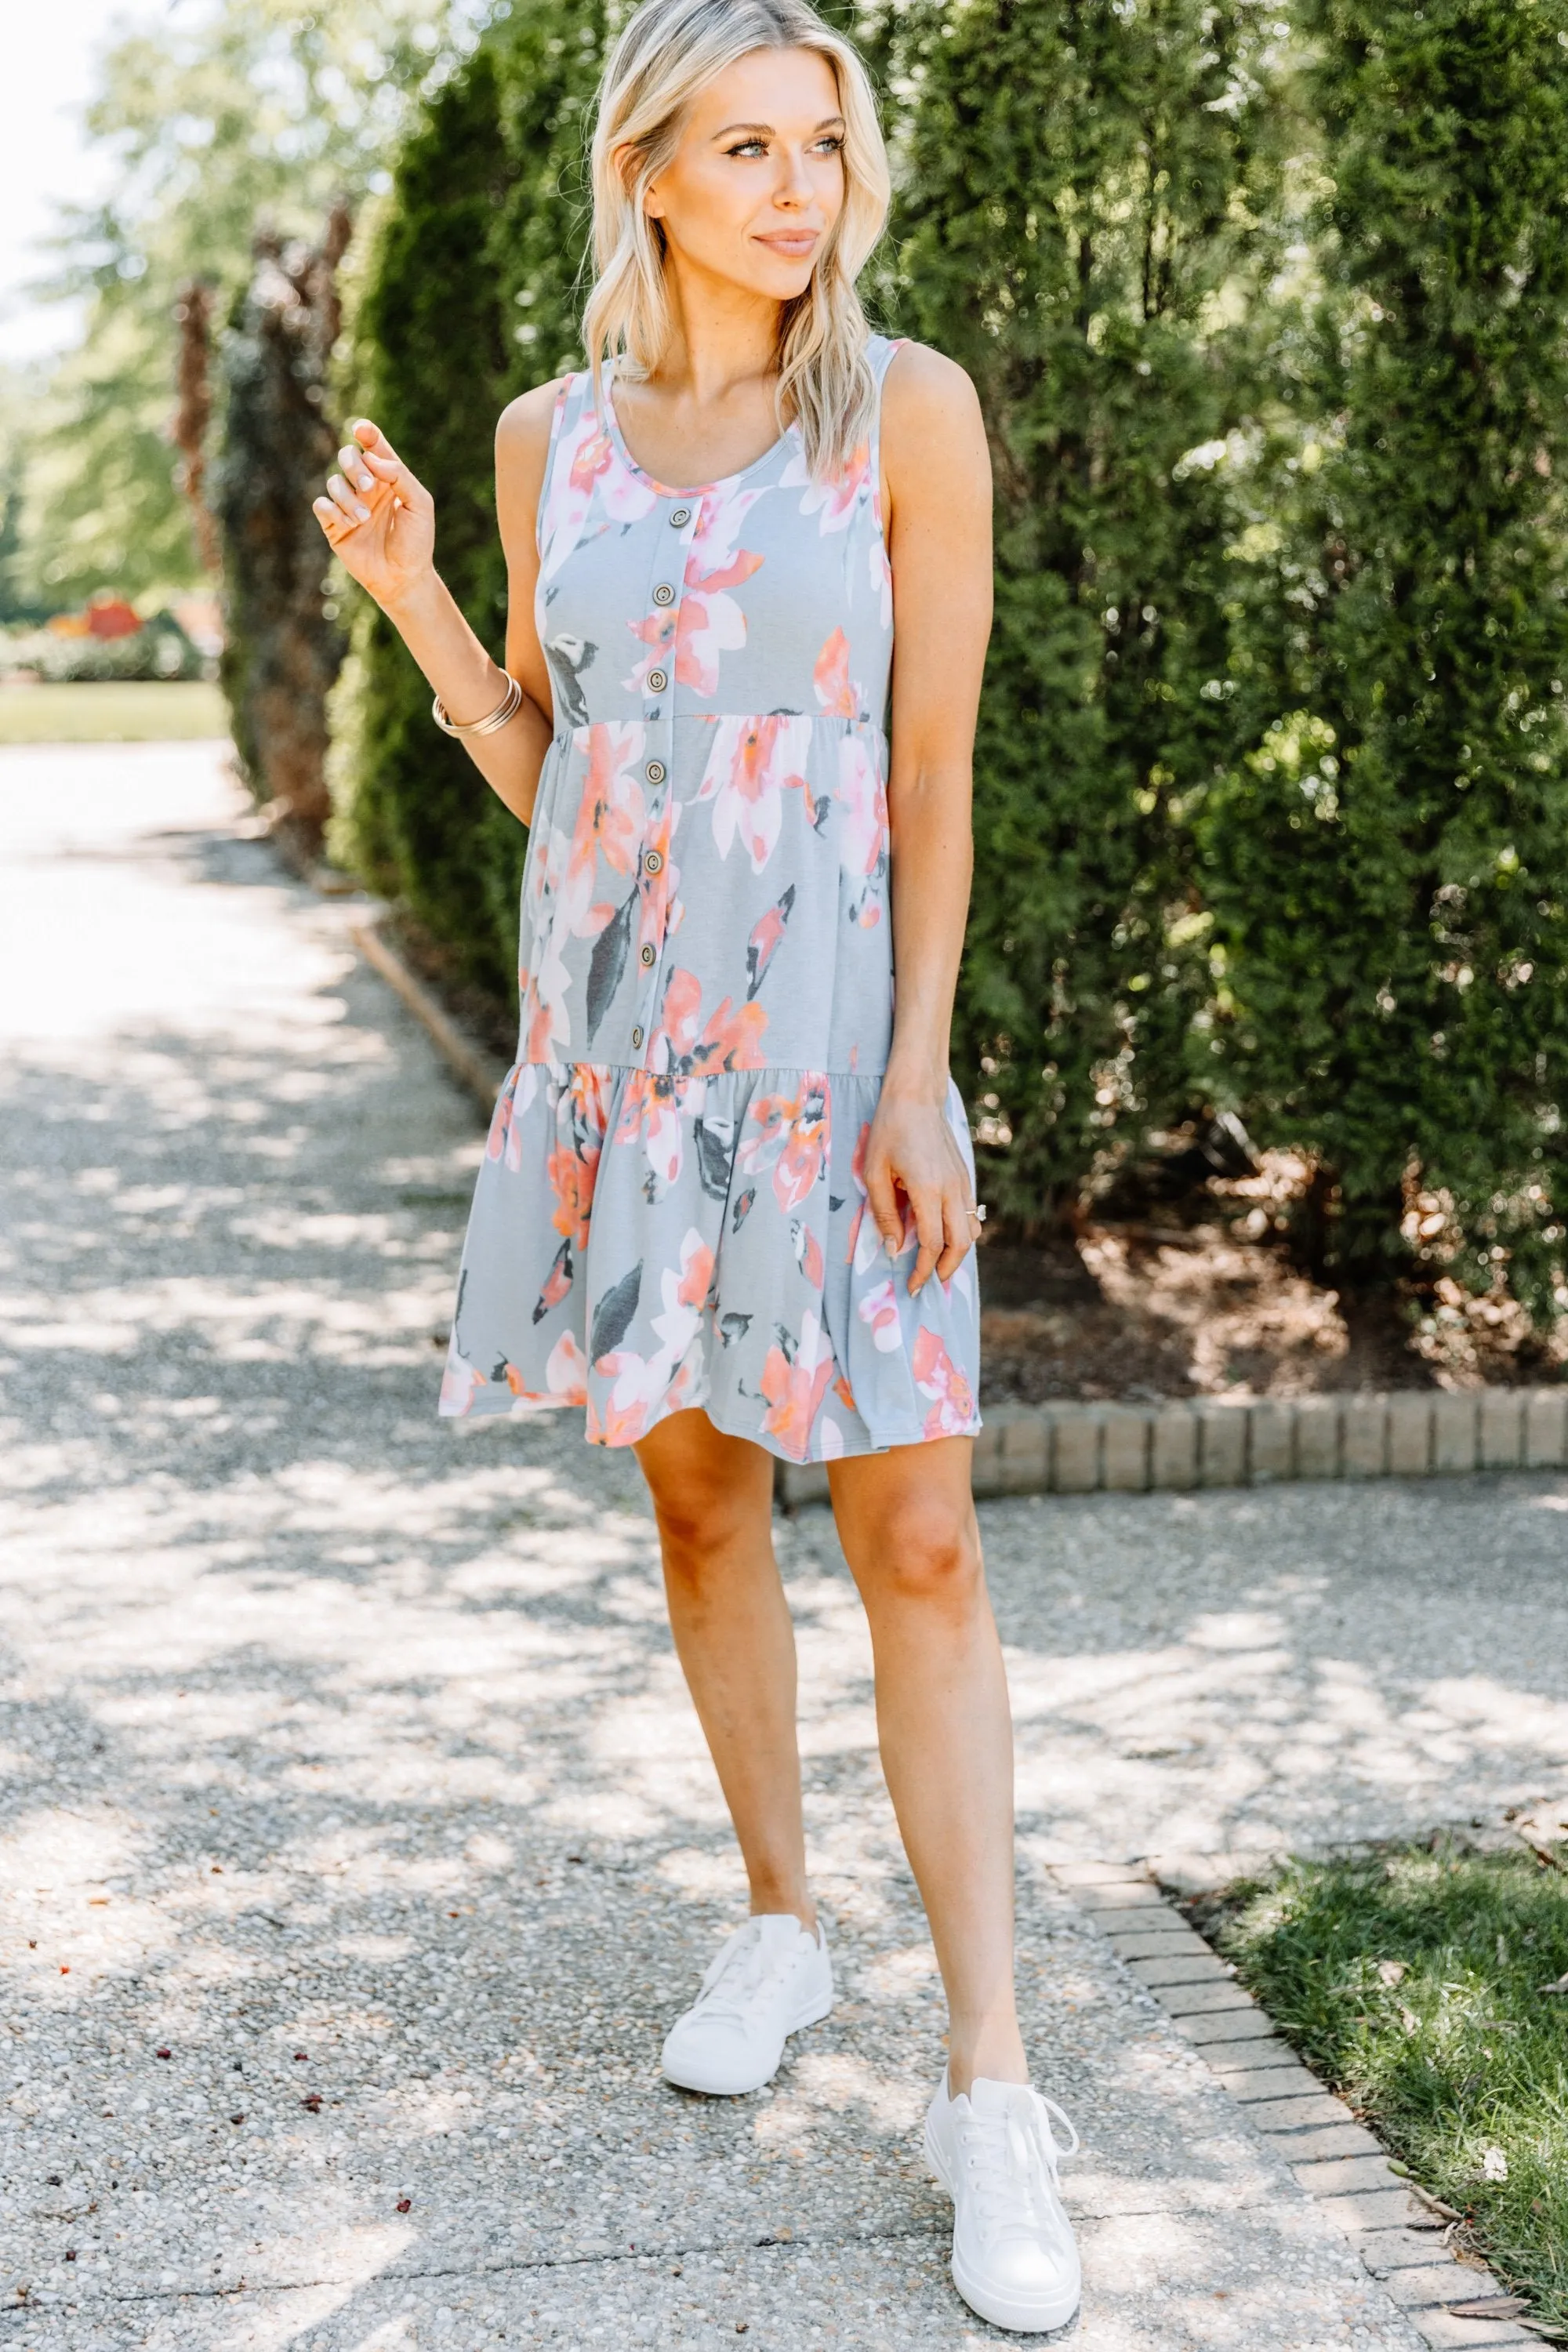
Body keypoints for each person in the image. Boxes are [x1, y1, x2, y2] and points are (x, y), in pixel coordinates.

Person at [312, 0, 1080, 2328]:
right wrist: (428, 601)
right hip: (630, 1055)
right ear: (645, 170)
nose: (792, 187)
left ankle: (991, 2087)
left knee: (922, 1532)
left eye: (822, 146)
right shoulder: (558, 444)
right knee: (695, 1495)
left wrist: (919, 1071)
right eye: (742, 145)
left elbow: (926, 768)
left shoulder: (902, 415)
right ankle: (780, 1926)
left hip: (843, 1045)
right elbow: (581, 796)